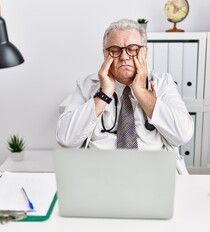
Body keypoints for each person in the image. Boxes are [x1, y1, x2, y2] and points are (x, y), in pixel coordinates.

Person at [56, 18, 194, 174]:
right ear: (105, 54)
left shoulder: (163, 83)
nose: (124, 56)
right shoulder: (87, 86)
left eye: (133, 49)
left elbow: (183, 134)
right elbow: (65, 139)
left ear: (145, 52)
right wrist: (104, 93)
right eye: (115, 50)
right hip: (100, 176)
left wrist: (141, 91)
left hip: (154, 176)